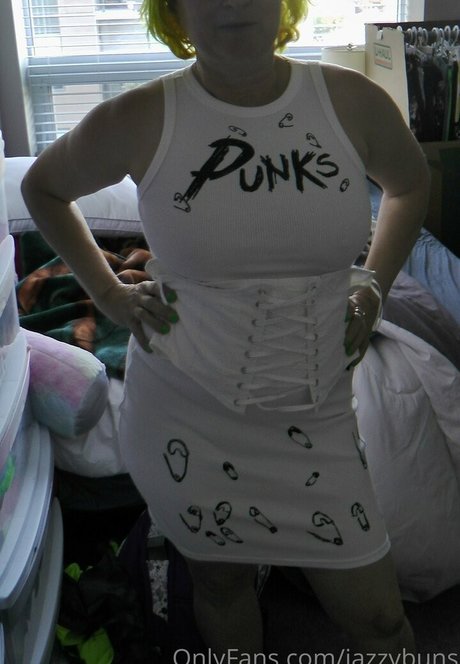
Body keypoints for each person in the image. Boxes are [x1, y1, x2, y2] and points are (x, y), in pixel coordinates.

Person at [21, 0, 430, 656]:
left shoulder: (349, 101)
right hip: (187, 413)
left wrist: (374, 287)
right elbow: (43, 187)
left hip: (316, 411)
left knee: (381, 623)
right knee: (220, 586)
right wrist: (109, 293)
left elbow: (410, 185)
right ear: (175, 12)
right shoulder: (142, 116)